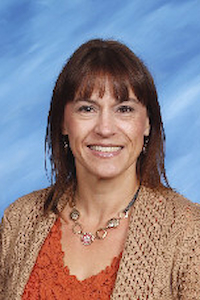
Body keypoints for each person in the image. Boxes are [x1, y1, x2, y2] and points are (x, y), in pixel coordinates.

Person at [1, 39, 200, 300]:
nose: (105, 129)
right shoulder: (19, 219)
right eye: (87, 108)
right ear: (63, 122)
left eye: (124, 109)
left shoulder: (189, 233)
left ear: (148, 124)